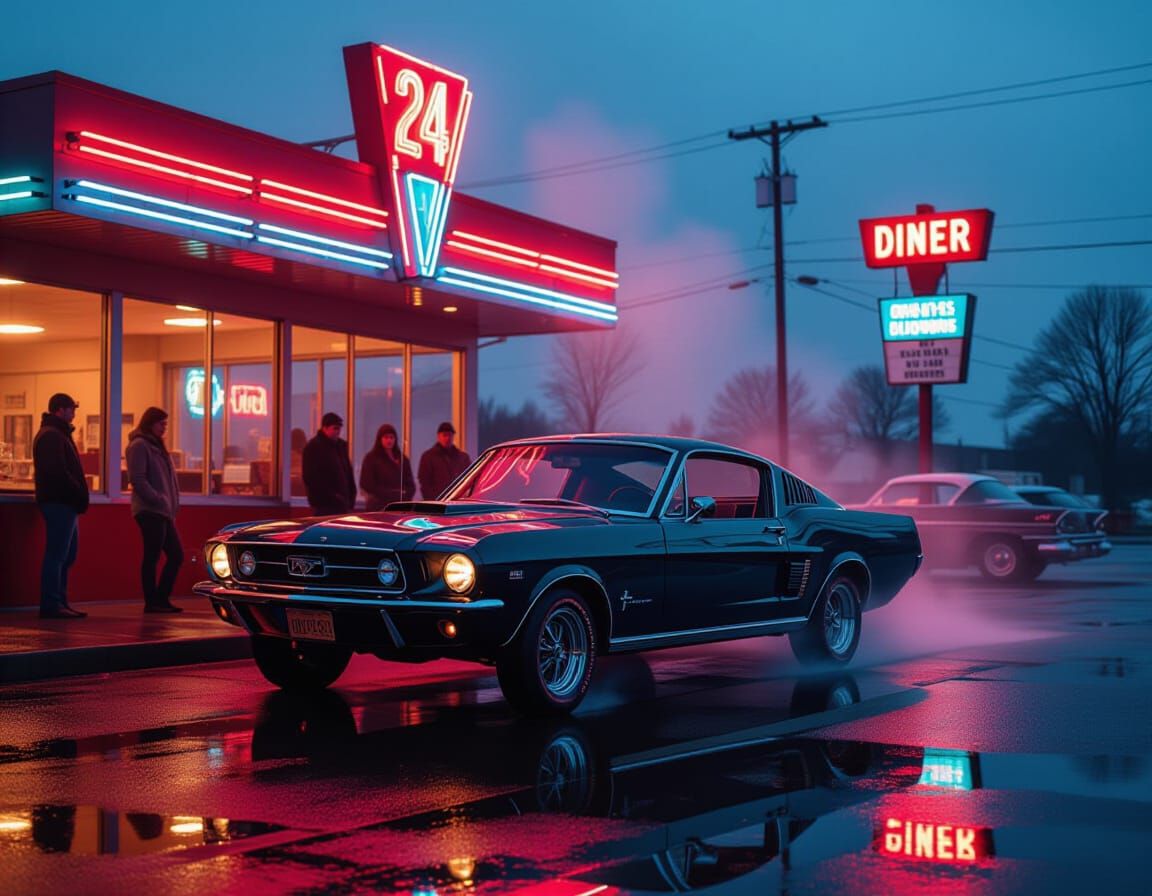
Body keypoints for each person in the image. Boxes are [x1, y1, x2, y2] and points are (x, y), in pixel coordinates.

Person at [32, 393, 89, 619]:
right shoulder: (52, 436)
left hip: (63, 502)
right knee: (58, 555)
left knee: (66, 555)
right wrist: (76, 491)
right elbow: (58, 473)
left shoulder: (54, 434)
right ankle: (52, 604)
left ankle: (59, 602)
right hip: (60, 502)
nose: (73, 413)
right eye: (70, 409)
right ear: (59, 410)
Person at [125, 406, 185, 613]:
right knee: (152, 556)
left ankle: (160, 599)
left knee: (176, 555)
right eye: (162, 424)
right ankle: (153, 602)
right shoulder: (140, 446)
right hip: (150, 511)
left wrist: (169, 503)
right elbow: (138, 479)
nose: (164, 428)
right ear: (150, 423)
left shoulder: (156, 446)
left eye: (166, 424)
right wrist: (159, 499)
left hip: (163, 511)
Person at [302, 411, 356, 515]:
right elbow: (310, 477)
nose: (338, 431)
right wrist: (331, 496)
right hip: (324, 504)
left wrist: (351, 496)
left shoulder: (340, 447)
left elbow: (348, 473)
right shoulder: (314, 447)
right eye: (335, 428)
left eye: (339, 428)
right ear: (324, 428)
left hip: (342, 503)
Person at [360, 423, 415, 511]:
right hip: (378, 506)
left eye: (391, 437)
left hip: (399, 506)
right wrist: (389, 494)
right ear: (380, 439)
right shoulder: (371, 458)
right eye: (386, 437)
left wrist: (405, 496)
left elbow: (410, 484)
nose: (389, 440)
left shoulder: (402, 459)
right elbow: (366, 483)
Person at [418, 421, 471, 500]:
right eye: (445, 435)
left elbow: (469, 478)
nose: (448, 438)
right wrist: (432, 500)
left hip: (457, 500)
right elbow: (424, 482)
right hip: (436, 502)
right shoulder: (428, 457)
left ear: (453, 436)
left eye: (450, 435)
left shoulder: (462, 457)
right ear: (438, 436)